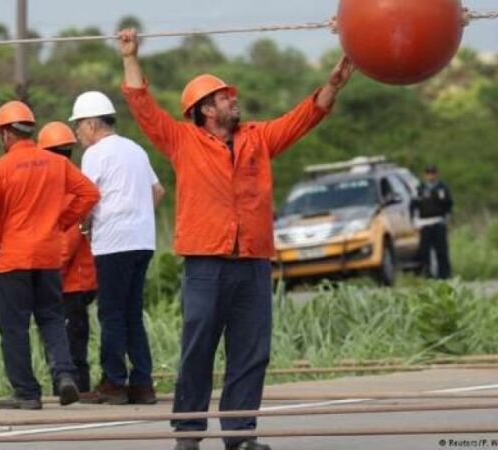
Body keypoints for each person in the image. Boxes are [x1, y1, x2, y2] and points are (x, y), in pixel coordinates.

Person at [118, 28, 355, 450]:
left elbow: (305, 117)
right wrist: (131, 56)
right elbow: (142, 105)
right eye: (225, 97)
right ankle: (188, 434)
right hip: (205, 264)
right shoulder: (181, 140)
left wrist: (333, 84)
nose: (233, 100)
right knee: (198, 348)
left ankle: (240, 434)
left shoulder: (258, 139)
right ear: (205, 109)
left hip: (253, 262)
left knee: (251, 350)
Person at [0, 101, 100, 410]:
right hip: (49, 256)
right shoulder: (55, 163)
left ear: (4, 134)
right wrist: (62, 221)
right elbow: (90, 194)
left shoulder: (0, 168)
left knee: (14, 327)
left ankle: (26, 392)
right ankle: (65, 375)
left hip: (13, 258)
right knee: (52, 320)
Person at [69, 90, 165, 405]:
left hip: (113, 244)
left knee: (111, 313)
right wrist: (136, 215)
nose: (77, 133)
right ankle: (142, 383)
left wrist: (84, 225)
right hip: (142, 241)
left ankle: (113, 381)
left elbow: (87, 197)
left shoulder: (95, 154)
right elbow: (158, 192)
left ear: (93, 124)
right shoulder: (135, 149)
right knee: (131, 314)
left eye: (79, 125)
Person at [38, 121, 99, 395]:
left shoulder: (67, 185)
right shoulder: (67, 180)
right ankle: (70, 387)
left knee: (71, 341)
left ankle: (77, 390)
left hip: (70, 282)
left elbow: (70, 237)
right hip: (71, 280)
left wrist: (49, 271)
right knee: (71, 339)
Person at [412, 165, 454, 279]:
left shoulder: (442, 187)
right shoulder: (420, 189)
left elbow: (448, 204)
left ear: (436, 174)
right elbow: (414, 205)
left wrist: (448, 218)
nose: (430, 176)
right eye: (428, 173)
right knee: (424, 251)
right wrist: (414, 221)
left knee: (441, 250)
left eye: (432, 173)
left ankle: (444, 274)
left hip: (439, 220)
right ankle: (427, 274)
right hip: (425, 222)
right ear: (425, 175)